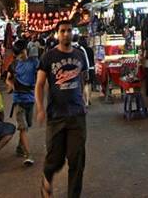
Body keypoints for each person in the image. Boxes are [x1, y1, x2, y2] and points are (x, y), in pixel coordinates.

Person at [36, 19, 88, 198]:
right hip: (56, 116)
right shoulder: (48, 57)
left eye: (69, 30)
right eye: (63, 31)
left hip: (77, 115)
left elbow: (82, 79)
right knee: (55, 159)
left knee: (77, 159)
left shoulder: (80, 55)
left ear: (73, 33)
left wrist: (84, 100)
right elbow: (39, 84)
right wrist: (40, 108)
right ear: (58, 34)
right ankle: (47, 177)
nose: (66, 34)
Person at [5, 40, 38, 166]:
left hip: (30, 99)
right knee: (23, 127)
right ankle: (28, 155)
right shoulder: (13, 65)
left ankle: (20, 147)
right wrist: (12, 85)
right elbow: (8, 79)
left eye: (23, 52)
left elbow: (41, 75)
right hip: (18, 100)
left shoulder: (34, 62)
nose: (22, 55)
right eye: (19, 54)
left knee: (26, 127)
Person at [72, 33, 95, 106]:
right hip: (88, 68)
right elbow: (88, 60)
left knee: (81, 85)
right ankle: (88, 100)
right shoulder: (86, 49)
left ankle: (82, 100)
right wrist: (88, 69)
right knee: (87, 84)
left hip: (77, 70)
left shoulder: (72, 48)